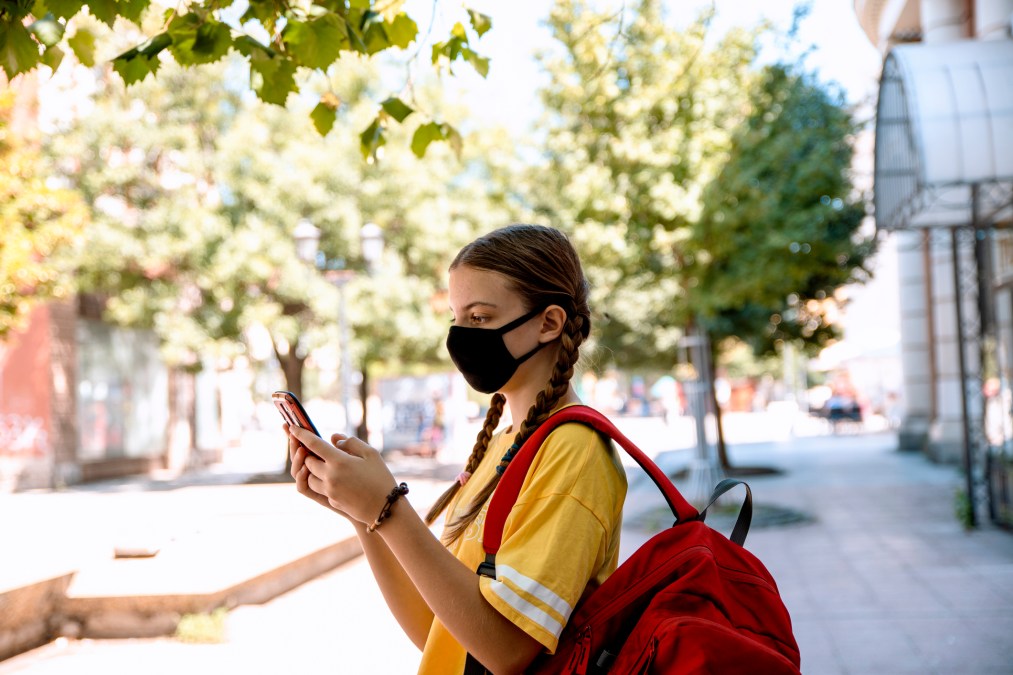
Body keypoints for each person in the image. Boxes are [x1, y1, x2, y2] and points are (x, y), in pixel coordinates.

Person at [285, 224, 627, 674]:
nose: (461, 336)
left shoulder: (574, 451)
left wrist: (387, 506)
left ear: (549, 323)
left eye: (480, 318)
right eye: (456, 318)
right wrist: (362, 513)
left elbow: (506, 649)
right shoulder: (503, 445)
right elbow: (438, 630)